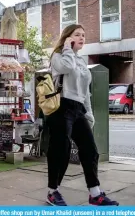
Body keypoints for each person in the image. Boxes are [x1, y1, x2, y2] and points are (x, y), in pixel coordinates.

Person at [46, 24, 119, 206]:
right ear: (67, 38)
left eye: (83, 35)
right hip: (61, 107)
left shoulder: (81, 61)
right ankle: (52, 191)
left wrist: (90, 114)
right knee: (60, 151)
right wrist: (66, 49)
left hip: (78, 109)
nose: (82, 38)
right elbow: (67, 68)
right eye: (77, 35)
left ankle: (95, 194)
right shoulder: (58, 56)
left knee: (90, 150)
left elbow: (85, 92)